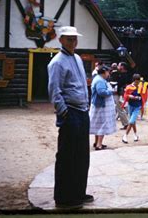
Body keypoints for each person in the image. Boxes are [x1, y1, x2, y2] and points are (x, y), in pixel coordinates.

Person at [47, 26, 93, 209]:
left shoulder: (78, 59)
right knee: (67, 156)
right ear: (60, 40)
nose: (73, 42)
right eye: (69, 39)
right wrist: (64, 112)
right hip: (71, 113)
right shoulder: (57, 62)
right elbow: (54, 91)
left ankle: (78, 192)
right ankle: (64, 197)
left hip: (82, 112)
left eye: (74, 39)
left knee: (82, 156)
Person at [89, 65, 118, 150]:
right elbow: (101, 92)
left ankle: (96, 142)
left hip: (99, 105)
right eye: (108, 72)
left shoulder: (98, 79)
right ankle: (99, 144)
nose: (109, 74)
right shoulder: (100, 80)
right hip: (101, 107)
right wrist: (111, 91)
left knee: (98, 124)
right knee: (102, 124)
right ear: (104, 72)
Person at [121, 74, 148, 143]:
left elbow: (145, 95)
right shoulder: (129, 87)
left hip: (137, 106)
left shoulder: (141, 87)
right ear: (134, 81)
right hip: (130, 105)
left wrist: (140, 99)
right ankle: (135, 135)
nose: (137, 83)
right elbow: (125, 95)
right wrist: (130, 96)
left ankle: (125, 136)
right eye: (136, 82)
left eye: (138, 82)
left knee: (131, 121)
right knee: (133, 122)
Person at [110, 62, 132, 130]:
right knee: (120, 108)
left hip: (118, 94)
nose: (117, 66)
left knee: (120, 109)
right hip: (120, 93)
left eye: (119, 65)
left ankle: (126, 123)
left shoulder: (121, 74)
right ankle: (126, 123)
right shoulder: (122, 74)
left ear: (122, 67)